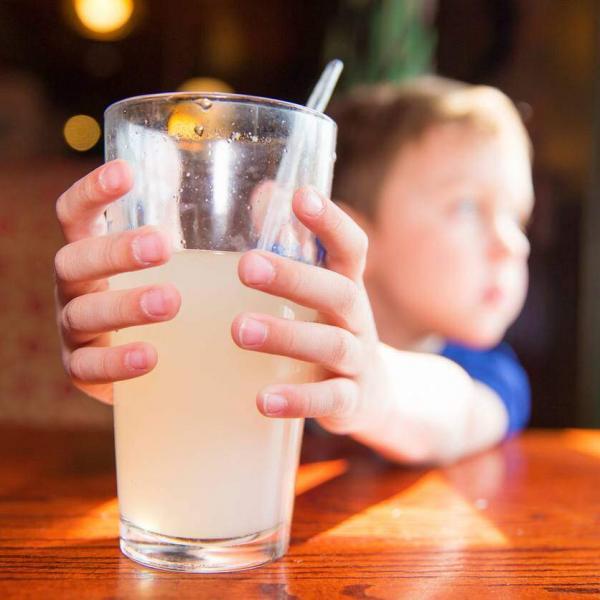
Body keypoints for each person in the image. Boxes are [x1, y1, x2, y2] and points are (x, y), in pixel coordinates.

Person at [53, 76, 533, 464]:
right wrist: (157, 358)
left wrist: (375, 389)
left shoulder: (489, 370)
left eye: (520, 217)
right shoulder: (263, 337)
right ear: (343, 229)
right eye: (468, 208)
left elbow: (461, 412)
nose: (513, 244)